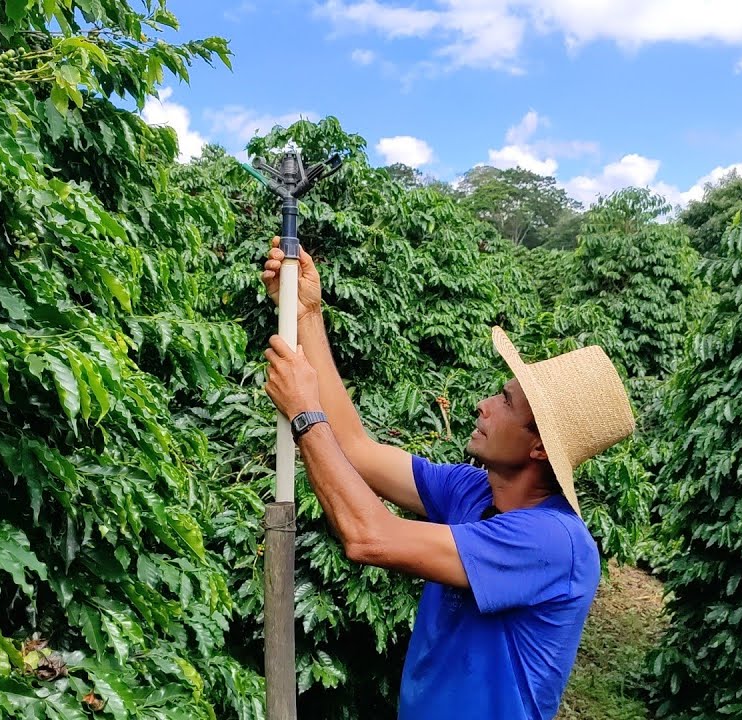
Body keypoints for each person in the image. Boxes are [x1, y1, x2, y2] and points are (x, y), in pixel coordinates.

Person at [260, 237, 636, 720]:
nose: (484, 405)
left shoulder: (554, 543)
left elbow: (370, 538)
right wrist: (309, 314)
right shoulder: (473, 490)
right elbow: (356, 448)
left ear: (539, 448)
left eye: (505, 402)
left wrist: (305, 415)